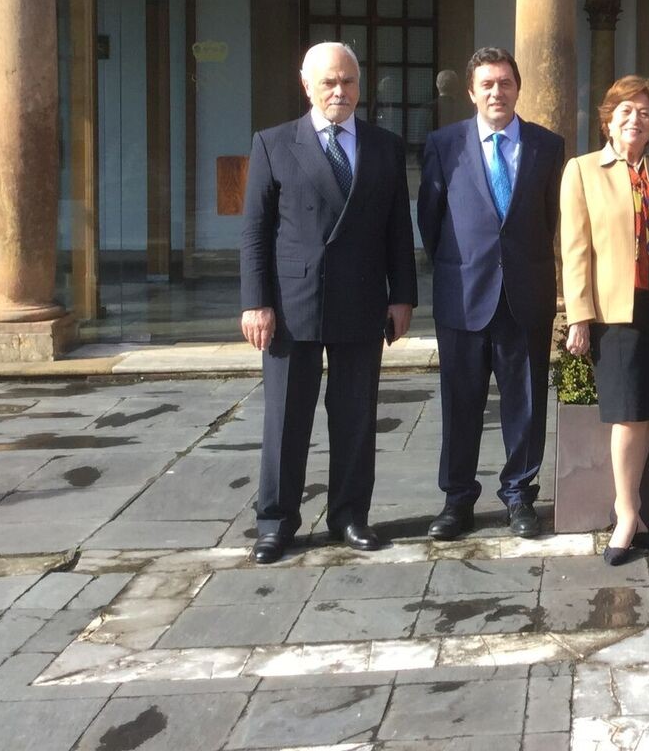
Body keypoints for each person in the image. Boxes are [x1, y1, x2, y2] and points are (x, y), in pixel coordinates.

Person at [239, 41, 417, 564]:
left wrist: (402, 295)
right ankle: (275, 521)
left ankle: (349, 515)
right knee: (286, 419)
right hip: (292, 304)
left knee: (356, 416)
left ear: (360, 86)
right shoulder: (274, 143)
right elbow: (254, 231)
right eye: (329, 82)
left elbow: (396, 229)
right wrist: (256, 302)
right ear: (307, 85)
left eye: (349, 82)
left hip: (361, 299)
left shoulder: (384, 146)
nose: (340, 91)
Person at [417, 47, 563, 541]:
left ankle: (520, 495)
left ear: (518, 87)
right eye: (487, 84)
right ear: (472, 92)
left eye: (505, 83)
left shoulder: (548, 145)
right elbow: (430, 221)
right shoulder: (443, 144)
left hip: (526, 293)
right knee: (460, 402)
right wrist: (463, 265)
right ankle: (457, 498)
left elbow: (550, 217)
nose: (496, 92)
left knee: (524, 400)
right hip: (463, 293)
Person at [560, 76, 649, 566]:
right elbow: (574, 251)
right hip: (615, 309)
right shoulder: (583, 171)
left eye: (645, 113)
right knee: (628, 411)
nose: (636, 119)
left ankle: (638, 510)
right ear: (608, 120)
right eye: (626, 112)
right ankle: (626, 511)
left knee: (647, 410)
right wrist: (578, 316)